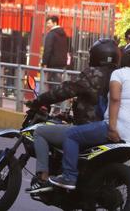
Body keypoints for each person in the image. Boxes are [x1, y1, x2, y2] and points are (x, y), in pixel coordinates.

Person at [49, 42, 130, 190]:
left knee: (71, 135)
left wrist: (112, 128)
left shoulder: (119, 74)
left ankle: (69, 177)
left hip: (117, 130)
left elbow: (114, 99)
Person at [25, 39, 120, 193]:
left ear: (96, 56)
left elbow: (65, 90)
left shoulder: (93, 74)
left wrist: (39, 100)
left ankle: (43, 178)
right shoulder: (119, 76)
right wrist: (68, 117)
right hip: (110, 129)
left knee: (40, 132)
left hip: (88, 130)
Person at [42, 16, 69, 90]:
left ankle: (54, 100)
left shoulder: (51, 34)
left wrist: (44, 63)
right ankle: (58, 100)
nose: (47, 25)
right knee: (58, 83)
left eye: (49, 23)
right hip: (61, 63)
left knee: (51, 84)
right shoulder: (64, 34)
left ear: (55, 23)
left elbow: (47, 49)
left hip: (52, 63)